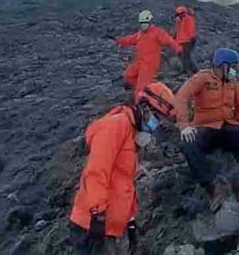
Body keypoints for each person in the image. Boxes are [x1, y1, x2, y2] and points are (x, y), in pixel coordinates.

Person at [68, 83, 177, 254]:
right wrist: (97, 215)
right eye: (156, 117)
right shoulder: (116, 126)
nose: (156, 124)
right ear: (144, 107)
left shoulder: (131, 134)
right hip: (91, 225)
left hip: (109, 227)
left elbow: (125, 182)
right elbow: (97, 171)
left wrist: (130, 220)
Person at [176, 48, 239, 209]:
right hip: (206, 128)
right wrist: (184, 126)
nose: (234, 70)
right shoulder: (202, 78)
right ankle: (211, 186)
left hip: (228, 127)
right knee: (188, 144)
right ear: (222, 66)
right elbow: (182, 96)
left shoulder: (232, 82)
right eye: (232, 66)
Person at [115, 10, 181, 102]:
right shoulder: (140, 34)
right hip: (139, 61)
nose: (143, 25)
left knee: (140, 89)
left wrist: (178, 49)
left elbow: (169, 41)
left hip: (149, 64)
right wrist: (120, 41)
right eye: (142, 23)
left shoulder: (157, 32)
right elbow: (131, 39)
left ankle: (140, 102)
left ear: (150, 22)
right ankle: (148, 89)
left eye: (145, 22)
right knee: (128, 76)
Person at [173, 5, 198, 74]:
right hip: (181, 41)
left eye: (180, 13)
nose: (179, 15)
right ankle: (194, 70)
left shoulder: (189, 19)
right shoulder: (179, 21)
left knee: (186, 56)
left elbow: (190, 30)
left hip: (187, 41)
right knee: (184, 56)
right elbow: (178, 31)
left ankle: (187, 70)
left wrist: (192, 38)